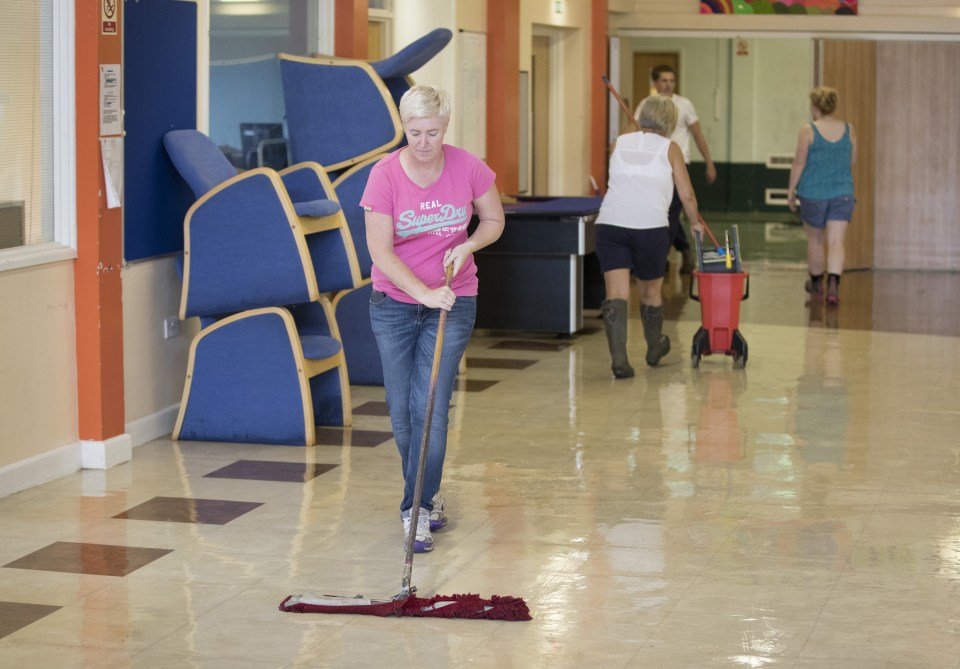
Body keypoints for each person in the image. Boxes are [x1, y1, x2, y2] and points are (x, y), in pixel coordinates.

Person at [360, 85, 505, 553]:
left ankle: (415, 509)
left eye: (433, 132)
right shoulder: (384, 176)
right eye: (414, 132)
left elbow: (493, 220)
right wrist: (422, 291)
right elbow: (380, 251)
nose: (422, 142)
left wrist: (466, 247)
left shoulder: (468, 167)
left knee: (430, 408)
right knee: (402, 411)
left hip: (455, 300)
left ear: (446, 126)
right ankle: (429, 493)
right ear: (404, 127)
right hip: (394, 305)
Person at [597, 95, 703, 378]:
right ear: (669, 121)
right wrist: (695, 223)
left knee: (616, 293)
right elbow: (687, 194)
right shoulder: (671, 149)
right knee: (651, 292)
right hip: (650, 227)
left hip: (611, 223)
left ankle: (619, 359)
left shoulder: (618, 143)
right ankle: (654, 347)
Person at [634, 65, 716, 274]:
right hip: (655, 164)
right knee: (664, 210)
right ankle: (685, 248)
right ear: (655, 83)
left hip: (679, 162)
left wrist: (709, 162)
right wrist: (619, 142)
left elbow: (698, 135)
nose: (668, 84)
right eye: (664, 80)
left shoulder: (684, 105)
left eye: (672, 80)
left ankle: (661, 258)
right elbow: (635, 127)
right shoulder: (647, 104)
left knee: (671, 211)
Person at [787, 86, 856, 306]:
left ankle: (817, 283)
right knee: (837, 241)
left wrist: (791, 190)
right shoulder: (849, 129)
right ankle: (834, 284)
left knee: (815, 239)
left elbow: (799, 162)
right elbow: (852, 161)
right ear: (833, 106)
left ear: (814, 107)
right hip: (842, 192)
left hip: (813, 193)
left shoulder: (808, 130)